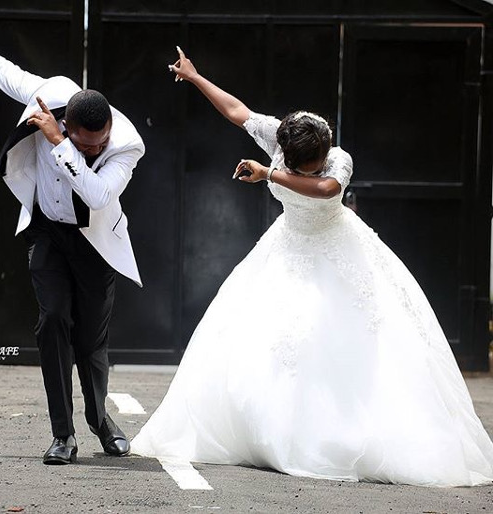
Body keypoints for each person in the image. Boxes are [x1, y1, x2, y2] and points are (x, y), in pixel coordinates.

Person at [131, 47, 493, 487]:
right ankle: (263, 426)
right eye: (297, 165)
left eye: (314, 163)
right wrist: (195, 76)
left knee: (354, 335)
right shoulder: (278, 136)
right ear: (285, 148)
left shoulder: (338, 159)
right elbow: (237, 111)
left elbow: (325, 189)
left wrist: (269, 175)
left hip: (339, 246)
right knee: (264, 338)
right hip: (287, 247)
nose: (312, 167)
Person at [0, 11, 145, 464]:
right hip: (46, 233)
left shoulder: (128, 143)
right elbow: (0, 70)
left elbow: (97, 196)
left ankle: (100, 420)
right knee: (52, 320)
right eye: (86, 144)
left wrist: (61, 143)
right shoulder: (49, 96)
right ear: (67, 118)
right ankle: (63, 434)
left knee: (90, 341)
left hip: (94, 244)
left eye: (99, 143)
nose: (95, 149)